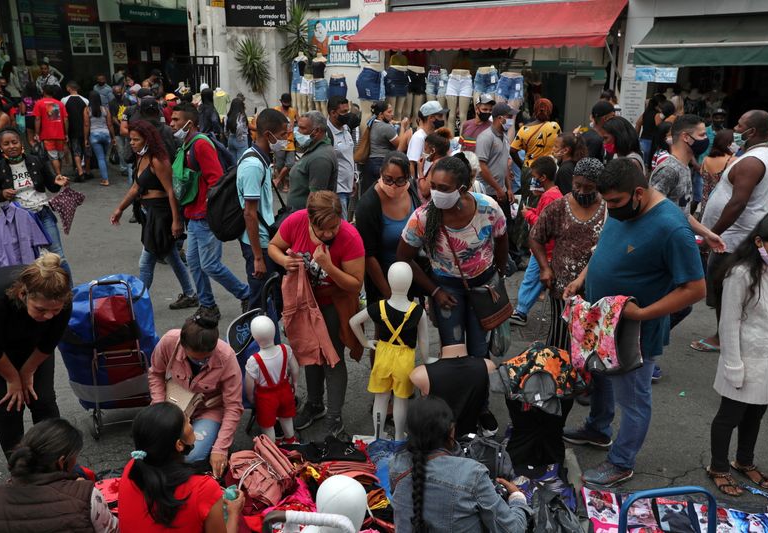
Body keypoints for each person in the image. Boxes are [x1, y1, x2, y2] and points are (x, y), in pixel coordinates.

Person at [563, 158, 705, 487]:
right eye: (606, 201)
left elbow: (696, 288)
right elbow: (603, 252)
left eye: (614, 202)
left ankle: (622, 461)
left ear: (638, 192)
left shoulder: (671, 227)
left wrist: (641, 314)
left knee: (634, 398)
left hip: (633, 330)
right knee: (600, 375)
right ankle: (598, 429)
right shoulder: (621, 207)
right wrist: (582, 280)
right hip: (600, 319)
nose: (609, 209)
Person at [707, 212, 768, 496]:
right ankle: (718, 466)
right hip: (744, 358)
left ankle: (744, 460)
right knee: (729, 417)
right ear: (759, 241)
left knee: (755, 414)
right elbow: (729, 322)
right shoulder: (741, 273)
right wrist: (733, 365)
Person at [268, 191, 365, 437]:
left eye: (334, 227)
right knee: (309, 353)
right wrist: (284, 261)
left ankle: (334, 418)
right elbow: (274, 246)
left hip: (335, 302)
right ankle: (314, 404)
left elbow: (355, 285)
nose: (329, 234)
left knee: (333, 358)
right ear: (310, 220)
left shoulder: (350, 237)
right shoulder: (296, 221)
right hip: (304, 303)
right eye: (322, 230)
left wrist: (328, 266)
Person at [397, 156, 508, 357]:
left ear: (463, 188)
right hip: (447, 291)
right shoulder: (422, 218)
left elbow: (502, 239)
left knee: (479, 350)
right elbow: (403, 257)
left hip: (483, 288)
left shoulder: (488, 208)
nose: (436, 193)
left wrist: (499, 274)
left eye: (444, 188)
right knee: (452, 351)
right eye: (433, 186)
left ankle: (479, 388)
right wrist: (435, 291)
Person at [694, 110, 768, 353]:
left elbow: (737, 203)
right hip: (736, 235)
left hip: (731, 239)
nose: (736, 129)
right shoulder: (763, 152)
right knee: (729, 289)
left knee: (724, 291)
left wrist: (711, 234)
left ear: (751, 131)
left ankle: (723, 338)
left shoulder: (752, 161)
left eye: (740, 125)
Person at [389, 396, 530, 532]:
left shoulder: (396, 465)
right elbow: (513, 529)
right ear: (451, 431)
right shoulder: (472, 474)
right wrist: (517, 498)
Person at [170, 102, 251, 321]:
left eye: (176, 120)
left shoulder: (200, 145)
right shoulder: (187, 144)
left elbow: (216, 180)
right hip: (193, 217)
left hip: (205, 217)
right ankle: (207, 305)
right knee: (195, 264)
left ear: (189, 123)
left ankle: (246, 294)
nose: (172, 123)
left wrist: (210, 211)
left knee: (210, 265)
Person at [118, 403, 245, 532]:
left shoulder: (133, 466)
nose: (190, 421)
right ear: (179, 444)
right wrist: (234, 512)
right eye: (186, 421)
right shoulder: (203, 488)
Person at [110, 120, 196, 309]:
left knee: (145, 261)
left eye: (136, 139)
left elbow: (171, 191)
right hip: (149, 213)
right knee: (171, 256)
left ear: (147, 140)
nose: (131, 143)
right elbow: (135, 187)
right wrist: (120, 209)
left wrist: (176, 221)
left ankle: (139, 301)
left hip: (162, 215)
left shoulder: (158, 160)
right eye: (131, 139)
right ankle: (190, 293)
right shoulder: (141, 157)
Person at [148, 316, 243, 477]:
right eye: (195, 358)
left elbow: (233, 406)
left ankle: (209, 443)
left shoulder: (226, 356)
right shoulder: (169, 341)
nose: (202, 362)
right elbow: (156, 374)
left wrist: (220, 448)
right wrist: (160, 408)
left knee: (190, 456)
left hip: (209, 410)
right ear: (182, 345)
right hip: (174, 404)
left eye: (207, 358)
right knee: (152, 449)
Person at [0, 254, 72, 457]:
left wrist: (28, 371)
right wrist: (13, 378)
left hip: (34, 349)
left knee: (43, 399)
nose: (48, 316)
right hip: (0, 352)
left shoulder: (64, 301)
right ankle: (20, 470)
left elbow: (50, 342)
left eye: (54, 310)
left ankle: (55, 460)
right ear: (23, 294)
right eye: (40, 309)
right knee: (8, 406)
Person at [528, 157, 606, 349]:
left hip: (597, 290)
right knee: (561, 336)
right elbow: (535, 237)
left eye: (589, 187)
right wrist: (544, 268)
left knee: (591, 339)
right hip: (563, 288)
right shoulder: (558, 207)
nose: (581, 191)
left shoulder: (608, 209)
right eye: (577, 185)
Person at [0, 418, 118, 531]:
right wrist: (82, 491)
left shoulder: (0, 495)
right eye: (75, 457)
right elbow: (114, 530)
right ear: (61, 462)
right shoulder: (87, 496)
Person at [0, 128, 72, 277]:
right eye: (6, 144)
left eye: (14, 142)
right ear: (1, 147)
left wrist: (57, 182)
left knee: (58, 256)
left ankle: (68, 294)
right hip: (19, 220)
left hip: (42, 213)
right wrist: (2, 194)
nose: (11, 146)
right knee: (30, 260)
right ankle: (41, 294)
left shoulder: (35, 160)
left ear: (21, 143)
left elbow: (51, 186)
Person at [237, 108, 289, 313]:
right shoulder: (253, 165)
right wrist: (258, 257)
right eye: (283, 135)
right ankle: (253, 343)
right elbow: (249, 213)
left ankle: (270, 341)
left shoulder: (261, 159)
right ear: (269, 135)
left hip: (265, 240)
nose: (286, 140)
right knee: (260, 305)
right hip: (258, 244)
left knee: (273, 300)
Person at [355, 151, 421, 303]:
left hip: (411, 275)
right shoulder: (368, 205)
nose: (393, 186)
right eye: (388, 179)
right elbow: (368, 255)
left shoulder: (411, 190)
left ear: (407, 177)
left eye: (400, 181)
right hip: (383, 281)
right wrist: (388, 294)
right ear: (381, 174)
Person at [510, 156, 562, 325]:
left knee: (531, 279)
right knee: (534, 279)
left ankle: (521, 312)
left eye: (534, 175)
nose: (532, 178)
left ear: (542, 177)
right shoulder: (553, 193)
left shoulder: (549, 196)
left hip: (544, 248)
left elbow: (542, 224)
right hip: (547, 247)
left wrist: (528, 215)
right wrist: (532, 211)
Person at [650, 114, 708, 214]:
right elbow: (652, 211)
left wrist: (707, 231)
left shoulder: (685, 166)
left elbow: (685, 214)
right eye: (702, 135)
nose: (706, 139)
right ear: (686, 137)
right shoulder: (669, 170)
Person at [288, 111, 338, 211]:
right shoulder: (314, 149)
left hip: (303, 219)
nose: (297, 132)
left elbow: (315, 200)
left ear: (317, 131)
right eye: (298, 127)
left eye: (302, 128)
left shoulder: (321, 158)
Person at [360, 101, 411, 194]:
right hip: (381, 162)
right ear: (381, 114)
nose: (392, 114)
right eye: (389, 112)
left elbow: (390, 122)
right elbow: (400, 146)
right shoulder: (386, 128)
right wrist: (403, 127)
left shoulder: (373, 122)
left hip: (370, 162)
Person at [477, 102, 516, 210]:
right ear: (500, 118)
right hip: (487, 193)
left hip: (501, 191)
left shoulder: (505, 138)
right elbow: (481, 166)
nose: (512, 120)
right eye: (509, 117)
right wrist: (498, 189)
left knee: (505, 224)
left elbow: (505, 166)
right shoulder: (485, 137)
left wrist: (508, 189)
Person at [510, 98, 561, 168]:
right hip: (548, 169)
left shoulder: (524, 129)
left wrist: (522, 166)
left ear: (534, 110)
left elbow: (512, 151)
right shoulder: (554, 126)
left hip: (529, 168)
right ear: (550, 111)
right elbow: (561, 144)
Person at [327, 96, 355, 219]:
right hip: (337, 190)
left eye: (347, 111)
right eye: (344, 112)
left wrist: (354, 178)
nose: (347, 115)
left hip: (349, 187)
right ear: (333, 113)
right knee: (341, 226)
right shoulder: (327, 133)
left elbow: (349, 156)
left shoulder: (346, 129)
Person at [33, 84, 68, 175]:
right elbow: (65, 119)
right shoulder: (59, 103)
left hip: (47, 135)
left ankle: (58, 175)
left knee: (53, 157)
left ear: (44, 92)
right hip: (60, 134)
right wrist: (66, 133)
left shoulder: (39, 103)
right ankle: (59, 174)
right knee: (59, 156)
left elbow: (37, 119)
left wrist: (37, 133)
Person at [408, 100, 447, 179]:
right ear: (431, 118)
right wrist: (414, 186)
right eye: (440, 116)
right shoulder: (418, 137)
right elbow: (411, 164)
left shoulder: (433, 135)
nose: (443, 119)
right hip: (420, 183)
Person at [84, 90, 115, 186]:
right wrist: (113, 137)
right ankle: (104, 176)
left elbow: (86, 125)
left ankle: (105, 179)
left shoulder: (87, 110)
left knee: (100, 158)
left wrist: (85, 138)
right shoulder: (105, 109)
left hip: (94, 135)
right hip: (106, 135)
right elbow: (110, 124)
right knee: (103, 157)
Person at [699, 129, 735, 212]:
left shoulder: (706, 159)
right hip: (721, 202)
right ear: (729, 143)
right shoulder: (732, 160)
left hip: (706, 201)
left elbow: (702, 174)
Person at [61, 82, 89, 181]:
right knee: (84, 150)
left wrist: (65, 131)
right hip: (84, 129)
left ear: (69, 88)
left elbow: (64, 117)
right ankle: (84, 170)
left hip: (72, 129)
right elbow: (86, 119)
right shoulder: (85, 100)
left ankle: (80, 171)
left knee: (76, 151)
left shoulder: (64, 100)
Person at [272, 93, 298, 192]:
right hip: (279, 141)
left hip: (290, 140)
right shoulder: (276, 110)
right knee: (279, 165)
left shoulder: (293, 111)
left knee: (290, 163)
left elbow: (299, 121)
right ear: (281, 102)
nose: (286, 105)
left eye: (288, 103)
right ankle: (284, 183)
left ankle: (280, 180)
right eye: (284, 103)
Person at [224, 97, 249, 164]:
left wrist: (228, 136)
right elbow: (240, 127)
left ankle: (233, 174)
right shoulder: (241, 116)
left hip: (231, 139)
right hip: (241, 139)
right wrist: (239, 138)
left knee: (233, 163)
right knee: (241, 162)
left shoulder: (228, 115)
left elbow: (225, 129)